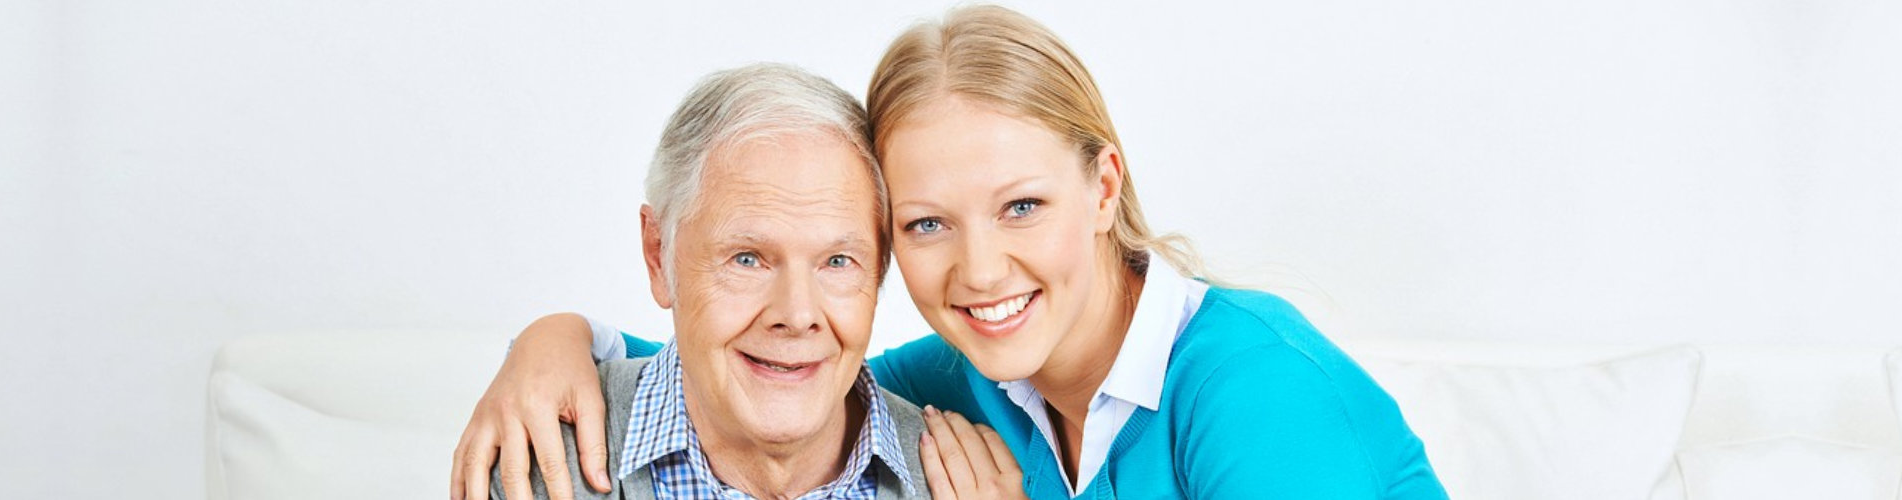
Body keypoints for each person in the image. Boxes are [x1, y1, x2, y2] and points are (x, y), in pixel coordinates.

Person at [459, 6, 1449, 499]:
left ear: (1104, 188)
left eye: (1021, 204)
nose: (978, 273)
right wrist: (557, 340)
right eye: (928, 223)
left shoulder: (1257, 388)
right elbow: (763, 364)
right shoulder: (969, 375)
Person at [476, 63, 940, 500]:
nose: (798, 316)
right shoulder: (537, 459)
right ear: (659, 255)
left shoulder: (963, 476)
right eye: (747, 259)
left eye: (838, 261)